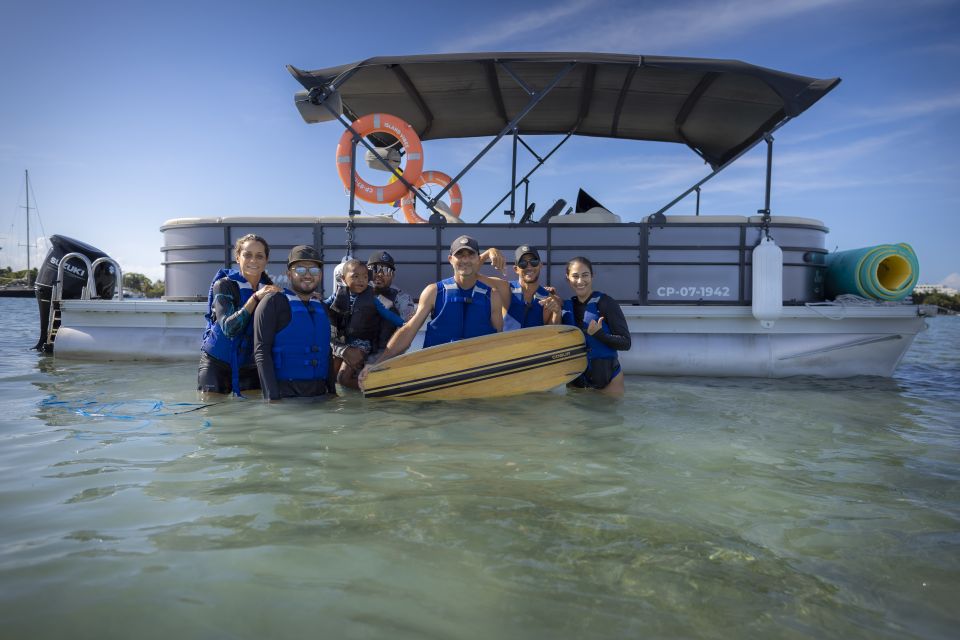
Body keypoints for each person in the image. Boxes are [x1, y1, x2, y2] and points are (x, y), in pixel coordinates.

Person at [363, 234, 504, 371]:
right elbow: (408, 330)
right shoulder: (433, 292)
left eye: (470, 255)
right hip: (436, 370)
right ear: (450, 259)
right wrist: (378, 364)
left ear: (478, 259)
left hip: (478, 370)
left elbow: (498, 339)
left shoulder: (492, 296)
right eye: (460, 255)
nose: (465, 260)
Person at [198, 233, 281, 396]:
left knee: (250, 417)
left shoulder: (272, 290)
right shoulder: (224, 285)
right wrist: (255, 297)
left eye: (259, 256)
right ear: (237, 258)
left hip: (250, 366)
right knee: (213, 413)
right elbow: (229, 329)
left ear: (266, 260)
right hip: (216, 364)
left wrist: (307, 298)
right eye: (247, 255)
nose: (253, 261)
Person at [253, 245, 337, 401]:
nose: (307, 275)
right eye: (300, 270)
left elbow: (327, 353)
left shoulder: (322, 307)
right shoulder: (273, 303)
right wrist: (272, 399)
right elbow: (261, 352)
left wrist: (333, 392)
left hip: (321, 395)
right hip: (286, 396)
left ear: (320, 275)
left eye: (314, 270)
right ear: (289, 274)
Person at [325, 258, 404, 389]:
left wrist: (405, 324)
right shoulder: (337, 295)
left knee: (343, 378)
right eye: (355, 276)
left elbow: (387, 314)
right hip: (343, 341)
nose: (361, 280)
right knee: (331, 375)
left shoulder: (373, 299)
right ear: (344, 279)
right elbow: (323, 306)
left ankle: (373, 388)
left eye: (365, 277)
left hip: (361, 344)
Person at [561, 256, 631, 395]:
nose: (580, 281)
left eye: (585, 275)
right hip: (576, 385)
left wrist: (600, 335)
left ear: (592, 276)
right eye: (575, 276)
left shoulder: (606, 303)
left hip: (609, 384)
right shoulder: (565, 308)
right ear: (568, 278)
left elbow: (626, 343)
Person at [479, 244, 562, 330]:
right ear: (516, 269)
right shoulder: (505, 289)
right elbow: (471, 277)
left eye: (534, 262)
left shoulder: (549, 299)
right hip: (509, 343)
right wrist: (488, 253)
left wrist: (557, 313)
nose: (529, 267)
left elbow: (552, 336)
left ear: (540, 265)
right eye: (523, 263)